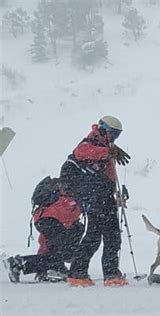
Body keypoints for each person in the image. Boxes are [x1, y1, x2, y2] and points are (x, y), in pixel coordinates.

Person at [60, 116, 130, 287]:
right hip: (96, 198)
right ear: (104, 129)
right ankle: (109, 274)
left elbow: (107, 175)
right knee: (109, 236)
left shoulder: (104, 146)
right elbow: (80, 152)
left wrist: (115, 193)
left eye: (117, 135)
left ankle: (79, 273)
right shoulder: (91, 143)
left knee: (96, 236)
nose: (114, 138)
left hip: (100, 197)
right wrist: (108, 152)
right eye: (113, 134)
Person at [4, 184, 83, 283]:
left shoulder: (62, 197)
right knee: (67, 249)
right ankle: (20, 263)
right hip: (52, 218)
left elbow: (45, 242)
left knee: (58, 248)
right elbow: (66, 216)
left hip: (43, 217)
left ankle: (50, 269)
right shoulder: (71, 202)